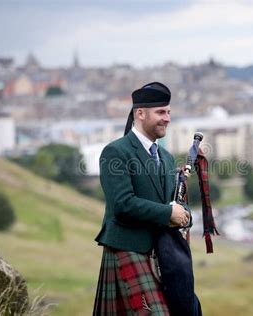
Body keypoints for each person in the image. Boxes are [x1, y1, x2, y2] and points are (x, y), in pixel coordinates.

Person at [93, 82, 190, 315]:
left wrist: (184, 216)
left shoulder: (166, 158)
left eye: (168, 112)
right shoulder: (116, 152)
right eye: (160, 112)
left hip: (162, 257)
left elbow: (173, 204)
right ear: (140, 113)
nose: (167, 118)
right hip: (127, 248)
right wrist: (169, 213)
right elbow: (122, 204)